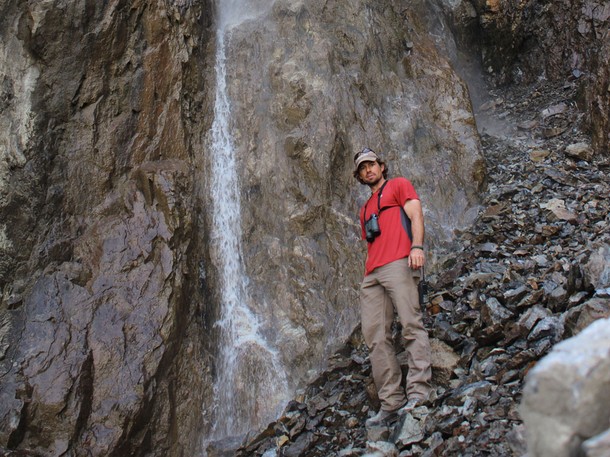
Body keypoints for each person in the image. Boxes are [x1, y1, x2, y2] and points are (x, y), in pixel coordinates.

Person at [353, 147, 433, 427]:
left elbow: (416, 214)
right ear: (360, 176)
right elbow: (371, 242)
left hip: (400, 262)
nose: (368, 171)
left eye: (371, 165)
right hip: (372, 274)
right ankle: (391, 402)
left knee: (411, 324)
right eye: (363, 169)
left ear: (382, 166)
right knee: (375, 336)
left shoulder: (399, 185)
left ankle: (419, 393)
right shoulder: (364, 209)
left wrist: (418, 247)